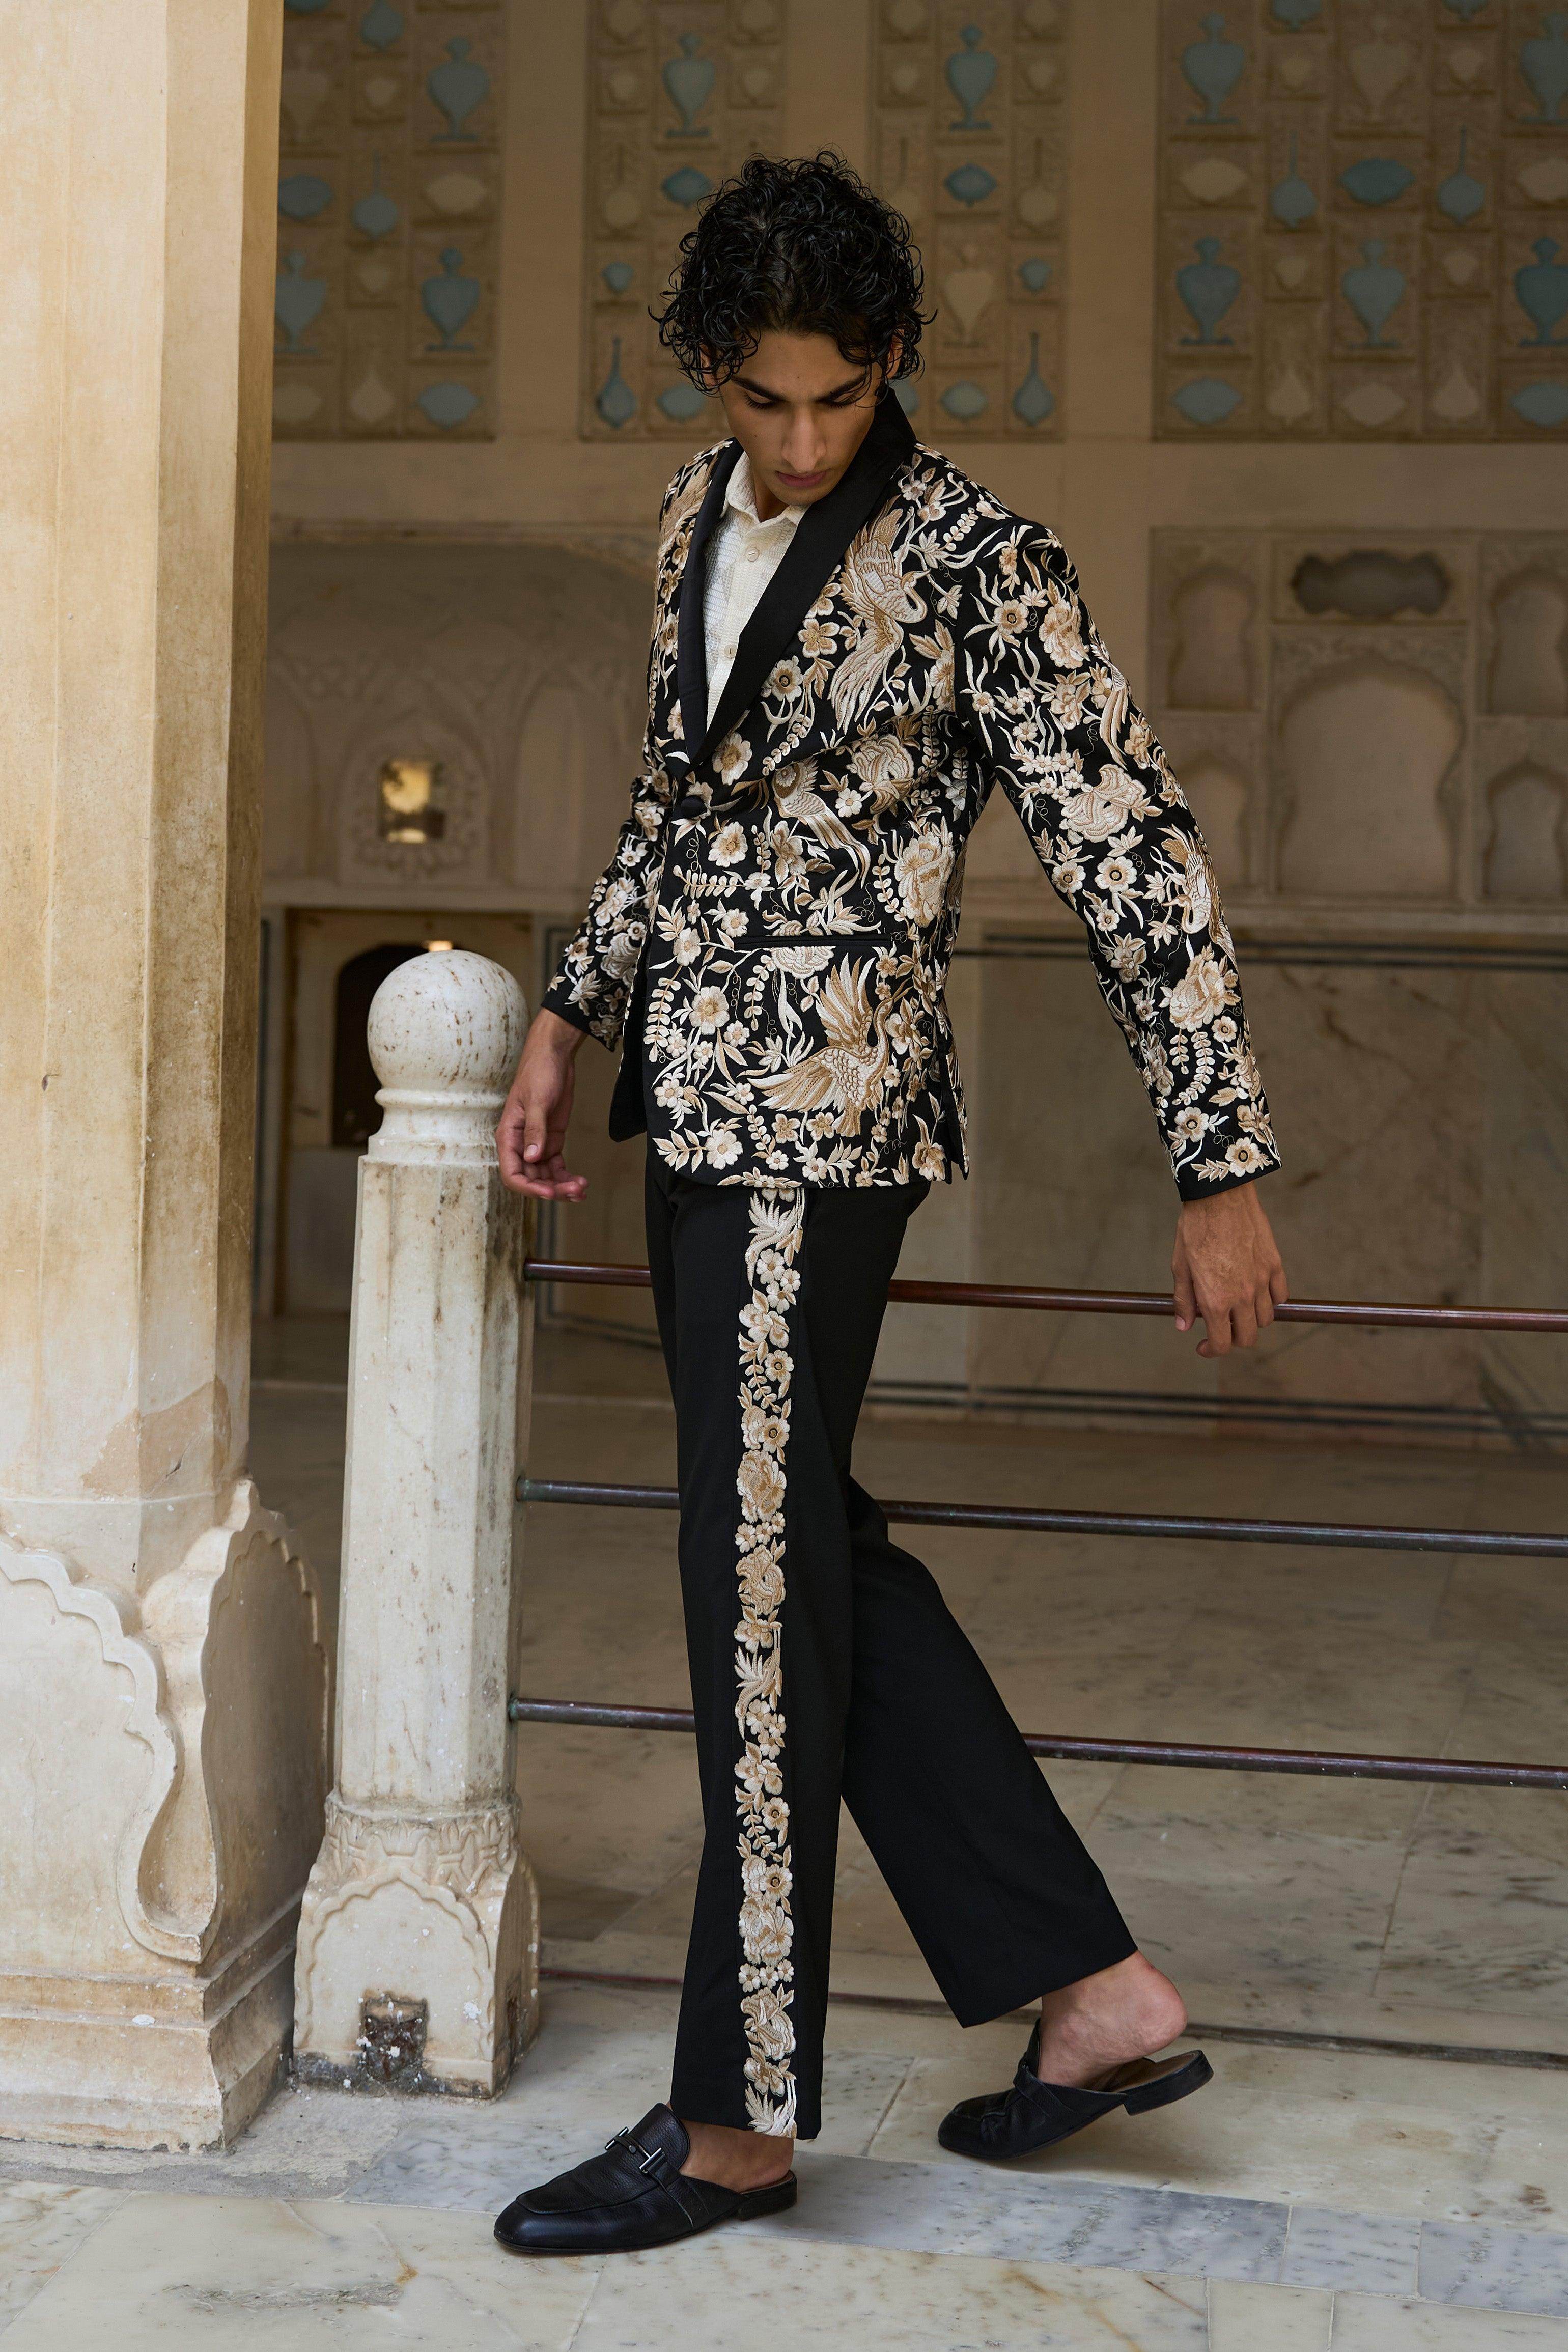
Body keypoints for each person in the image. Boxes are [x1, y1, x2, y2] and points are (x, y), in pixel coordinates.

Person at [492, 153, 1286, 2258]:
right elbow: (672, 803)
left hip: (824, 1132)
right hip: (691, 1111)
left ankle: (737, 2122)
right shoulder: (691, 513)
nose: (800, 439)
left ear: (894, 362)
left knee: (754, 1595)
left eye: (837, 399)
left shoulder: (979, 564)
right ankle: (1093, 1992)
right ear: (712, 374)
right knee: (799, 1555)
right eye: (764, 399)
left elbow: (1133, 852)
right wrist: (574, 1009)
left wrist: (1217, 1160)